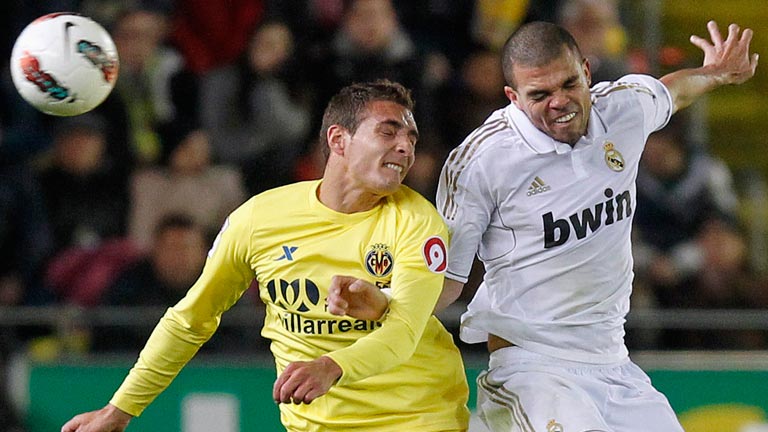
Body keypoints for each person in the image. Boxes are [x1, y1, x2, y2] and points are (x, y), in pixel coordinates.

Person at [328, 20, 758, 432]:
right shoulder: (482, 162)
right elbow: (447, 279)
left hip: (612, 360)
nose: (560, 102)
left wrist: (716, 72)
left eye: (569, 84)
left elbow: (670, 92)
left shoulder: (623, 108)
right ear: (513, 97)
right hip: (531, 369)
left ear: (586, 71)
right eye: (540, 94)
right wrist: (388, 304)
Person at [61, 80, 470, 432]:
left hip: (417, 417)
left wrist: (331, 366)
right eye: (388, 132)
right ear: (338, 140)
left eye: (411, 139)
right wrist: (119, 409)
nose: (405, 147)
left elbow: (403, 332)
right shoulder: (260, 218)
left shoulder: (418, 224)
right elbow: (190, 319)